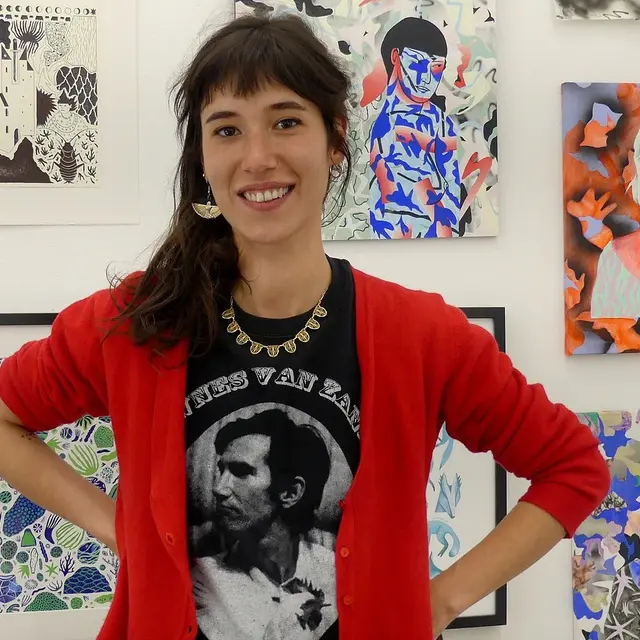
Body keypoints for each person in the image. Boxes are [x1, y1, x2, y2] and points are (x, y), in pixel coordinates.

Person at [0, 12, 609, 640]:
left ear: (335, 139)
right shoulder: (137, 321)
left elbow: (573, 467)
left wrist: (442, 600)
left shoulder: (421, 334)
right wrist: (120, 529)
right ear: (202, 158)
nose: (257, 157)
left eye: (286, 122)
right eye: (227, 129)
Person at [190, 408, 338, 639]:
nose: (218, 488)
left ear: (290, 493)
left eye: (241, 472)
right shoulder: (202, 580)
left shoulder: (334, 572)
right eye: (221, 470)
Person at [369, 17, 463, 240]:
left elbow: (452, 187)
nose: (427, 78)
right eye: (417, 64)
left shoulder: (443, 122)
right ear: (395, 57)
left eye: (436, 67)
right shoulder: (379, 122)